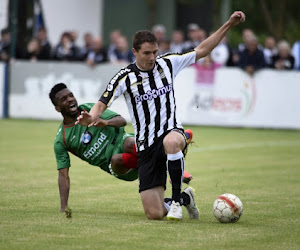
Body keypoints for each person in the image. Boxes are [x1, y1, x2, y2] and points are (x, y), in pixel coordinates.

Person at [76, 11, 246, 221]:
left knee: (172, 141)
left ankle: (175, 201)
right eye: (146, 53)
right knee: (154, 214)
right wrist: (90, 118)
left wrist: (228, 24)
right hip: (146, 146)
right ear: (134, 52)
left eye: (155, 52)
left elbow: (202, 49)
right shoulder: (125, 77)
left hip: (171, 133)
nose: (152, 58)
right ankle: (185, 198)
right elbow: (102, 102)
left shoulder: (168, 63)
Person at [49, 83, 139, 214]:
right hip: (118, 166)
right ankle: (149, 162)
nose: (70, 99)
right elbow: (63, 175)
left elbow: (122, 121)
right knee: (116, 159)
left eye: (71, 95)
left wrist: (105, 123)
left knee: (130, 143)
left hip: (122, 141)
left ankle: (154, 160)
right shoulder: (62, 139)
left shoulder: (90, 109)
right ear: (58, 108)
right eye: (64, 99)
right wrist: (64, 207)